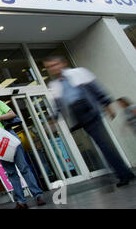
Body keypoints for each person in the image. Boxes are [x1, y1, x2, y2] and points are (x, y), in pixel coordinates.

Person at [43, 56, 135, 187]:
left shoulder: (79, 72)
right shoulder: (54, 85)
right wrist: (53, 120)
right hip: (78, 116)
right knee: (102, 145)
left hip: (90, 110)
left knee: (103, 145)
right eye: (49, 67)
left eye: (55, 64)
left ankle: (123, 174)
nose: (53, 68)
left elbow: (96, 88)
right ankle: (123, 172)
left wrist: (107, 104)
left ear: (63, 63)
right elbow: (57, 106)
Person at [0, 92, 46, 209]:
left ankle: (38, 195)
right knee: (11, 172)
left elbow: (12, 114)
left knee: (23, 167)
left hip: (9, 136)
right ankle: (21, 201)